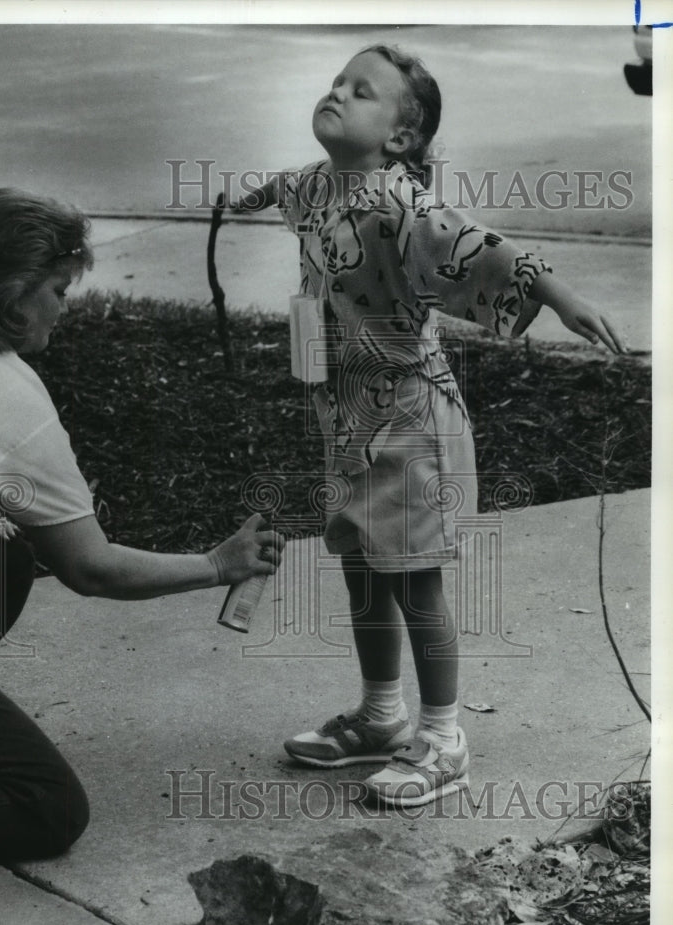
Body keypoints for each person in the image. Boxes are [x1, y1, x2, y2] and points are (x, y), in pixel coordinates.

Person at [227, 44, 626, 807]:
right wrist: (246, 196)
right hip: (348, 418)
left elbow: (484, 248)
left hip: (411, 421)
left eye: (362, 91)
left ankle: (443, 738)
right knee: (362, 570)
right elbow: (285, 186)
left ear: (401, 139)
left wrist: (564, 295)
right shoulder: (318, 185)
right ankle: (381, 716)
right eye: (336, 82)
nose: (337, 92)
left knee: (413, 582)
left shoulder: (399, 204)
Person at [0, 188, 284, 865]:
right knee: (44, 804)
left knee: (5, 554)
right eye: (57, 288)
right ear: (10, 294)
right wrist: (218, 565)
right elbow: (92, 567)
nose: (65, 303)